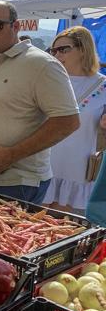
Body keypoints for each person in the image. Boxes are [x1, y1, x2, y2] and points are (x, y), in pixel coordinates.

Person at [0, 1, 80, 203]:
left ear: (15, 26)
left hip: (16, 183)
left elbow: (68, 121)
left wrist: (12, 154)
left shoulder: (41, 64)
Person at [42, 26, 106, 212]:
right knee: (37, 213)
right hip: (45, 159)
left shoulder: (102, 85)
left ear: (83, 49)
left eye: (63, 49)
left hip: (77, 162)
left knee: (61, 219)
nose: (57, 55)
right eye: (54, 50)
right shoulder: (49, 80)